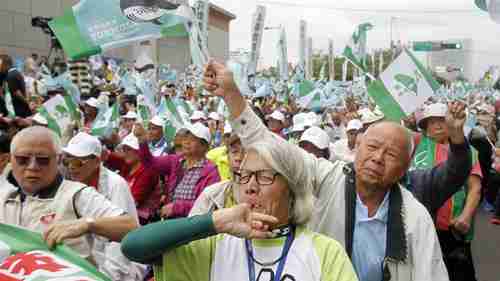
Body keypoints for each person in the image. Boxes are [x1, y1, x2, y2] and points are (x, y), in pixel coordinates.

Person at [202, 60, 473, 281]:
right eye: (373, 146)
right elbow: (272, 148)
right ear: (358, 147)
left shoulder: (414, 217)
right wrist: (232, 95)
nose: (377, 158)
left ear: (404, 168)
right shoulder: (327, 178)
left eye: (390, 154)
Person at [121, 146, 359, 281]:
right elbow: (133, 246)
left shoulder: (324, 251)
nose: (250, 186)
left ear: (292, 187)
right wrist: (214, 221)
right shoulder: (214, 245)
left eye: (264, 176)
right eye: (243, 176)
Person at [0, 126, 137, 271]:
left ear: (57, 160)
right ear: (10, 160)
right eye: (22, 159)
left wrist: (87, 224)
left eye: (43, 160)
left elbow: (130, 227)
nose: (32, 167)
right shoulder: (5, 194)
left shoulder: (78, 194)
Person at [62, 132, 145, 281]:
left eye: (77, 163)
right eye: (67, 162)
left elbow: (121, 239)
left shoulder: (116, 185)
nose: (71, 168)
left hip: (117, 267)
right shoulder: (70, 183)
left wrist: (107, 277)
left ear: (96, 161)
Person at [413, 103, 482, 281]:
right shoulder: (415, 145)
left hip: (453, 229)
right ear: (425, 127)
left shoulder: (467, 151)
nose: (437, 125)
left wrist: (465, 216)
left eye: (441, 120)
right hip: (422, 228)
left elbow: (475, 188)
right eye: (431, 121)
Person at [134, 122, 221, 218]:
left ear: (204, 146)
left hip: (193, 225)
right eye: (185, 138)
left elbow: (206, 205)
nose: (186, 142)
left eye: (193, 139)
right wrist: (142, 140)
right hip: (171, 221)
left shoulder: (211, 172)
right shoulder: (175, 161)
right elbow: (150, 163)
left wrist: (176, 208)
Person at [105, 133, 161, 225]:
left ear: (139, 152)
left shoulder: (147, 171)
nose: (125, 153)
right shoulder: (128, 165)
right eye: (124, 149)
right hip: (123, 213)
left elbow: (133, 202)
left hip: (141, 222)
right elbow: (108, 156)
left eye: (129, 150)